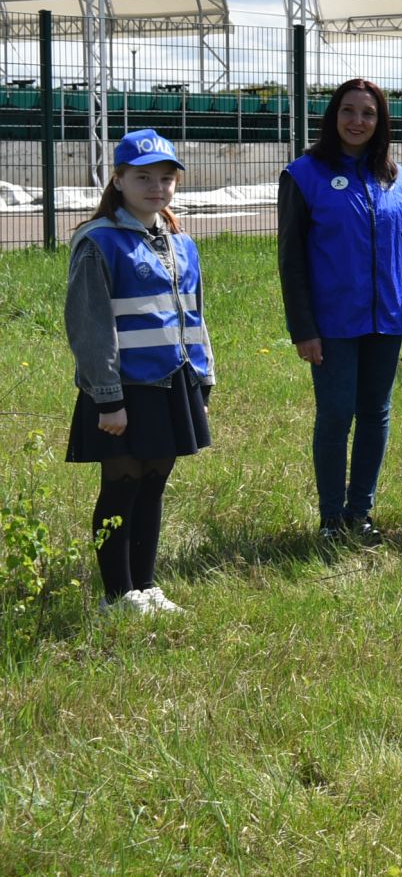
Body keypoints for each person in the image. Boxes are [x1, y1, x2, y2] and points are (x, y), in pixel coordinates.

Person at [65, 130, 212, 615]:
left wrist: (203, 377)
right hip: (126, 388)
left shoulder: (181, 242)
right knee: (122, 483)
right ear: (119, 179)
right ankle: (115, 595)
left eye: (166, 178)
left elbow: (194, 313)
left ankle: (146, 587)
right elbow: (90, 326)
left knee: (154, 483)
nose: (156, 186)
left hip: (174, 381)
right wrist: (108, 398)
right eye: (143, 177)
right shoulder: (99, 241)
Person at [278, 79, 402, 543]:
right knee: (336, 414)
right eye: (348, 111)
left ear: (381, 121)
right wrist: (304, 328)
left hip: (387, 322)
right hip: (332, 324)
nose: (357, 121)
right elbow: (291, 260)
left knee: (375, 413)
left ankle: (359, 514)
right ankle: (329, 519)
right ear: (333, 115)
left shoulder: (397, 179)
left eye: (368, 113)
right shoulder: (303, 175)